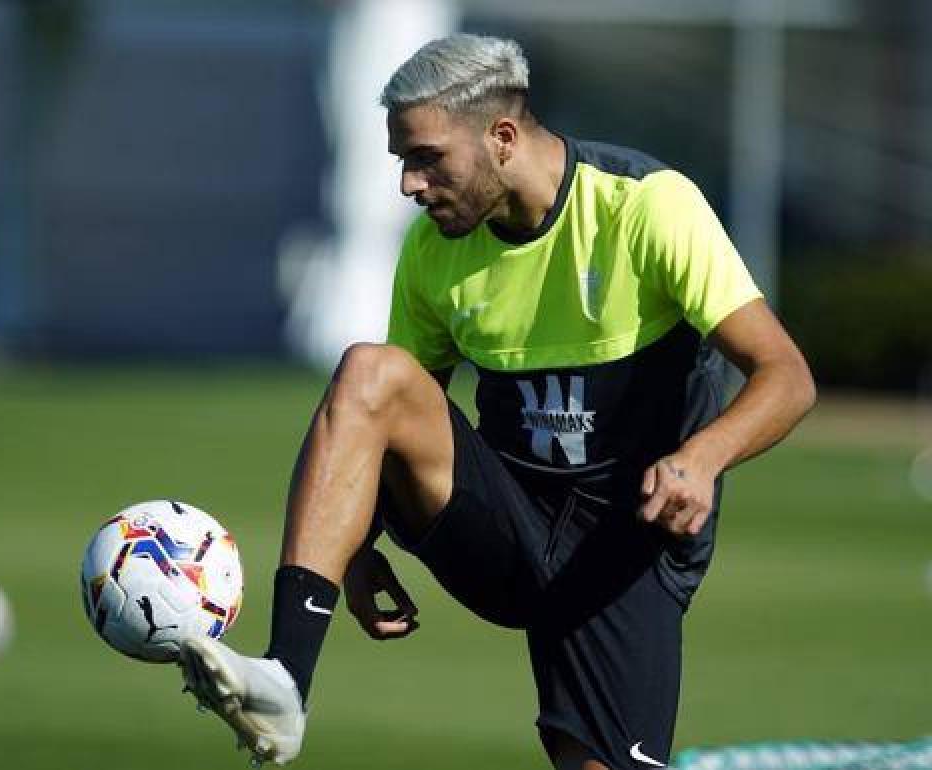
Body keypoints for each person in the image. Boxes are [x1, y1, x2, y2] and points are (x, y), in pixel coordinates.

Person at [178, 33, 816, 770]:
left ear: (502, 137)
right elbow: (379, 417)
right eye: (402, 163)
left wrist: (700, 460)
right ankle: (284, 679)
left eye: (426, 158)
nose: (410, 185)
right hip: (506, 528)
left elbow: (786, 375)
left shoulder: (648, 207)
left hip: (627, 547)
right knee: (370, 370)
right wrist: (352, 550)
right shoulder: (431, 251)